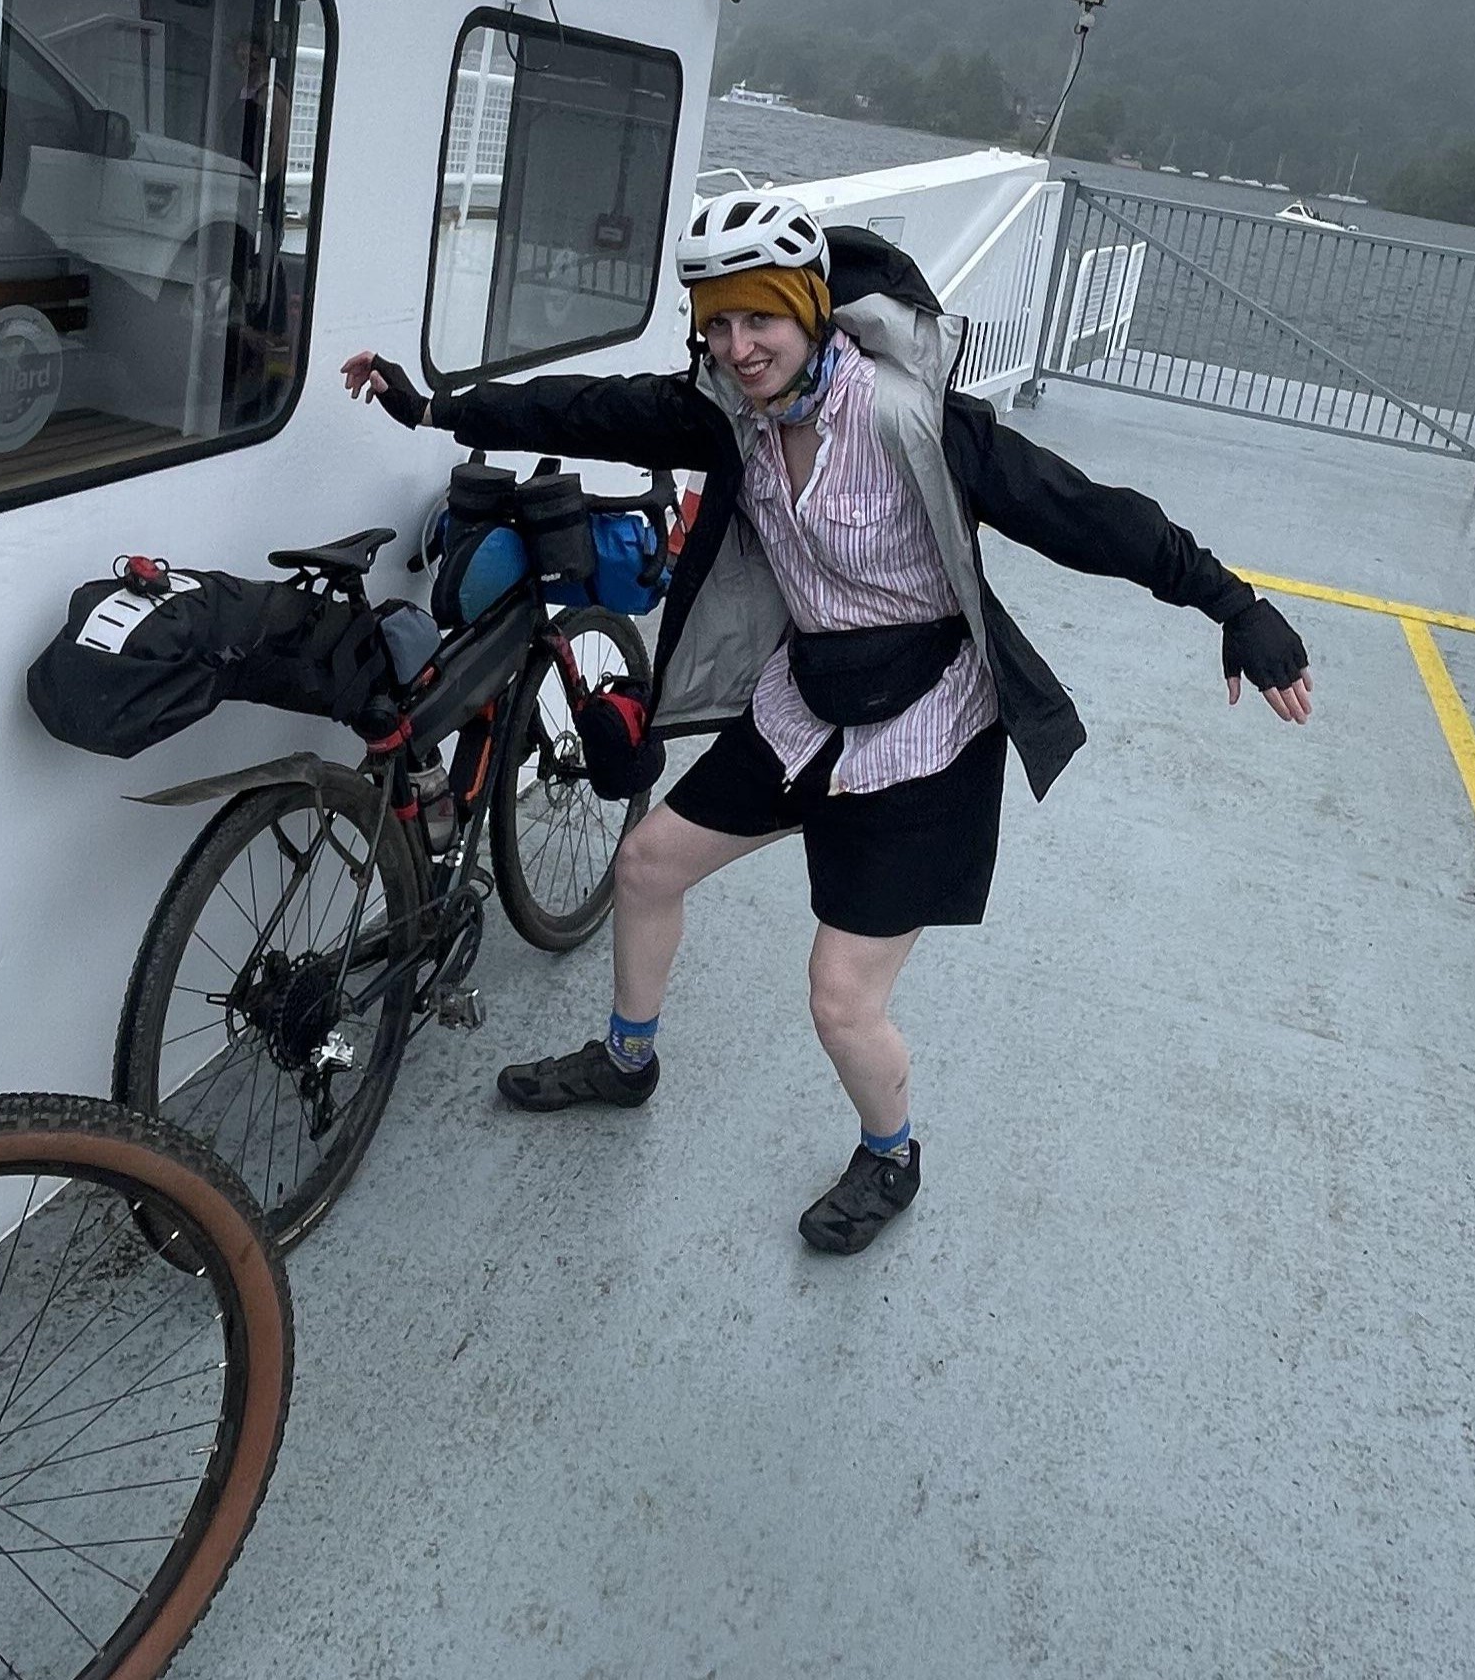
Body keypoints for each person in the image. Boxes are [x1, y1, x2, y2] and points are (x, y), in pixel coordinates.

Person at [340, 193, 1315, 1256]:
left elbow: (1088, 514)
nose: (737, 344)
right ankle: (629, 1060)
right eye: (716, 322)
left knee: (842, 996)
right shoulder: (732, 413)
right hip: (804, 707)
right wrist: (438, 408)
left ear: (810, 310)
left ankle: (890, 1151)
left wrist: (1233, 602)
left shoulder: (912, 420)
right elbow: (591, 409)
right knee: (648, 866)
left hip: (925, 734)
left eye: (759, 318)